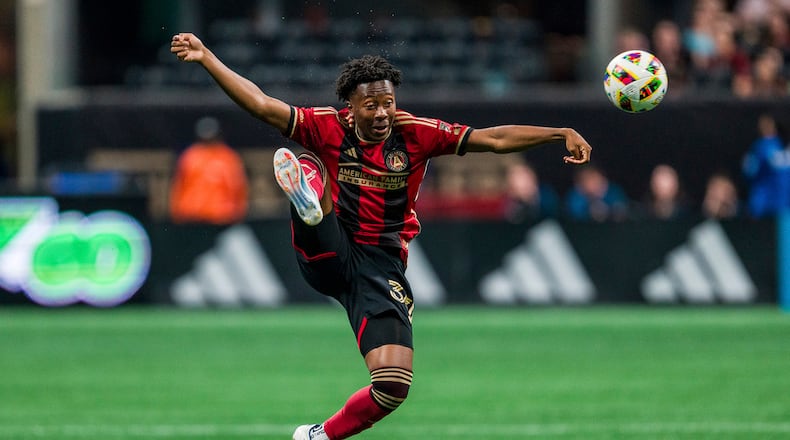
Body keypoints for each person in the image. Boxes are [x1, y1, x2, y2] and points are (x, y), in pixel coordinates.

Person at [170, 32, 592, 440]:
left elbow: (495, 138)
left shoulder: (418, 133)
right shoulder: (326, 125)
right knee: (309, 163)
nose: (382, 113)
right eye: (370, 105)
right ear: (351, 107)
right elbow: (262, 104)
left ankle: (318, 436)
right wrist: (207, 58)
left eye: (388, 103)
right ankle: (308, 197)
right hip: (331, 248)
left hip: (381, 265)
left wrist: (559, 133)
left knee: (393, 386)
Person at [169, 116, 249, 224]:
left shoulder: (228, 157)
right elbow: (179, 185)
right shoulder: (191, 155)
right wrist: (176, 212)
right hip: (192, 216)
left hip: (222, 218)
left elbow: (239, 187)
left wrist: (238, 213)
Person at [742, 113, 790, 217]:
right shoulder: (759, 148)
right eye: (763, 125)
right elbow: (749, 173)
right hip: (763, 206)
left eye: (769, 124)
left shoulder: (781, 146)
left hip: (784, 206)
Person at [564, 164, 629, 222]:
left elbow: (622, 209)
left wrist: (610, 212)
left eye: (593, 178)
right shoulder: (575, 196)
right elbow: (573, 212)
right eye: (586, 179)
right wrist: (588, 211)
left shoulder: (614, 191)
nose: (591, 183)